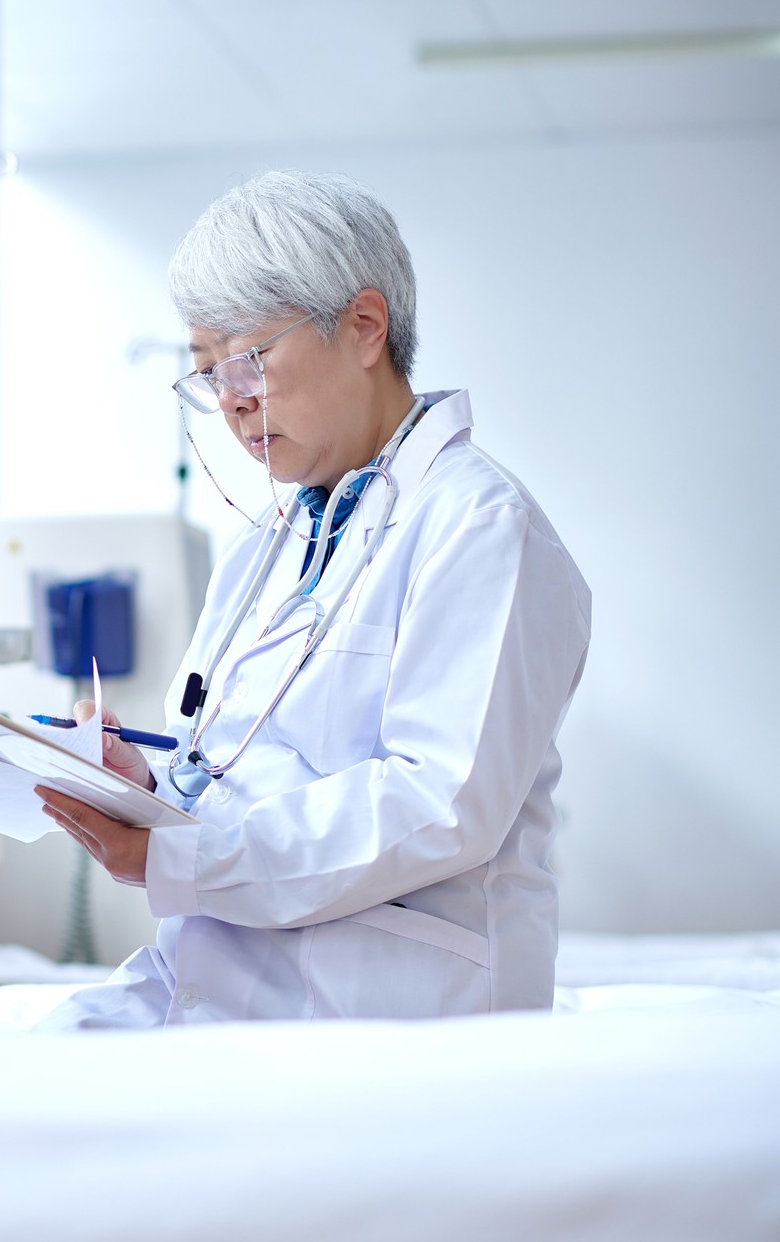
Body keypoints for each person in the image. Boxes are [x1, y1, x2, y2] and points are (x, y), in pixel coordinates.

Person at [36, 170, 591, 1027]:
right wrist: (144, 787)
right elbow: (228, 771)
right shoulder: (264, 549)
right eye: (208, 373)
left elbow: (438, 804)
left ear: (365, 327)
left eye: (250, 358)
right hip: (227, 975)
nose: (233, 400)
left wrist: (185, 858)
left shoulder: (481, 528)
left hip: (390, 1007)